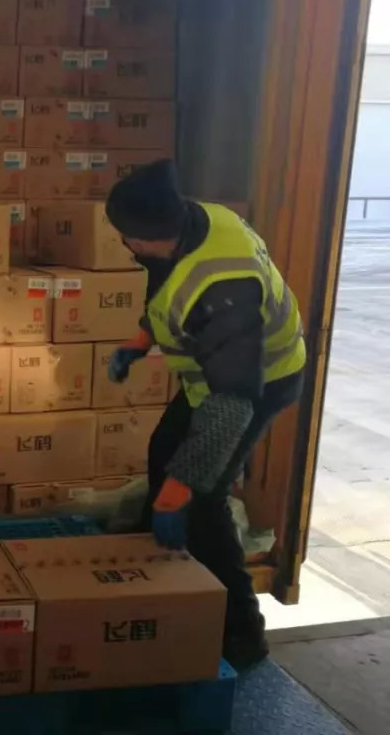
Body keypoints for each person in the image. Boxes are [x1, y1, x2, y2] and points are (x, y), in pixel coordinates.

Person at [104, 159, 306, 669]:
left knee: (203, 497)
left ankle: (242, 632)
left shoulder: (222, 287)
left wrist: (181, 488)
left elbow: (232, 403)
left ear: (148, 237)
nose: (126, 246)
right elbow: (168, 290)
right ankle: (158, 564)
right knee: (164, 451)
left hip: (257, 384)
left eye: (128, 239)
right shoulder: (196, 222)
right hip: (212, 378)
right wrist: (141, 339)